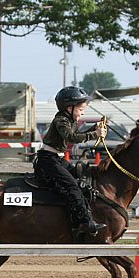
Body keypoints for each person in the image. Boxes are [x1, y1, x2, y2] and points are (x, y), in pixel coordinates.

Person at [34, 86, 107, 237]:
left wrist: (95, 128)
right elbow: (71, 138)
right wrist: (95, 133)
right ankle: (84, 223)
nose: (83, 112)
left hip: (56, 159)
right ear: (70, 107)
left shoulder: (69, 119)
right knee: (72, 186)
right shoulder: (61, 120)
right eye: (80, 109)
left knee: (81, 177)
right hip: (48, 160)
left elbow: (77, 134)